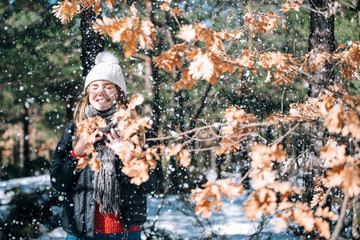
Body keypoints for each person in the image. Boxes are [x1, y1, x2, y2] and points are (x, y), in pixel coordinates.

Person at [50, 51, 163, 240]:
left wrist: (129, 159)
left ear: (119, 92)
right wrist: (77, 151)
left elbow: (156, 185)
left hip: (126, 232)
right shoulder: (75, 129)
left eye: (108, 86)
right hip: (81, 231)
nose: (100, 92)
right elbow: (58, 183)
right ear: (88, 93)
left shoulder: (140, 130)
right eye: (94, 86)